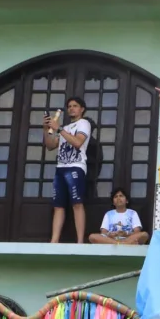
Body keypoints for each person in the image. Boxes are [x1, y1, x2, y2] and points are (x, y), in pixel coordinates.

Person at [44, 96, 92, 244]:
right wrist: (46, 129)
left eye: (75, 106)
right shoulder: (65, 128)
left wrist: (58, 128)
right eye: (69, 106)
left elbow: (78, 142)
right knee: (58, 205)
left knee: (77, 203)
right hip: (61, 167)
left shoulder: (84, 123)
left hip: (76, 166)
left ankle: (79, 242)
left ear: (82, 109)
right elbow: (50, 145)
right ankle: (54, 240)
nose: (71, 108)